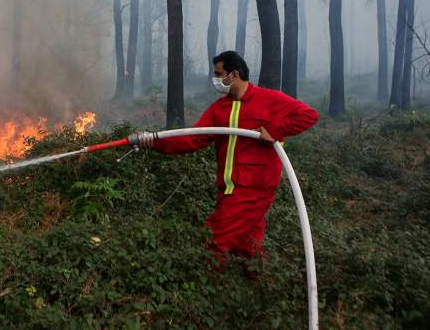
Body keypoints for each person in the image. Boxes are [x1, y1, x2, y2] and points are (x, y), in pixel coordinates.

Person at [134, 51, 319, 278]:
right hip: (228, 189)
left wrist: (276, 131)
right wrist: (154, 141)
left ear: (234, 74)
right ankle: (252, 295)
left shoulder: (269, 100)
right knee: (247, 249)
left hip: (252, 189)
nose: (216, 80)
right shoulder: (219, 108)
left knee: (215, 242)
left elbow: (308, 115)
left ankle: (201, 294)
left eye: (219, 74)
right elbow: (193, 138)